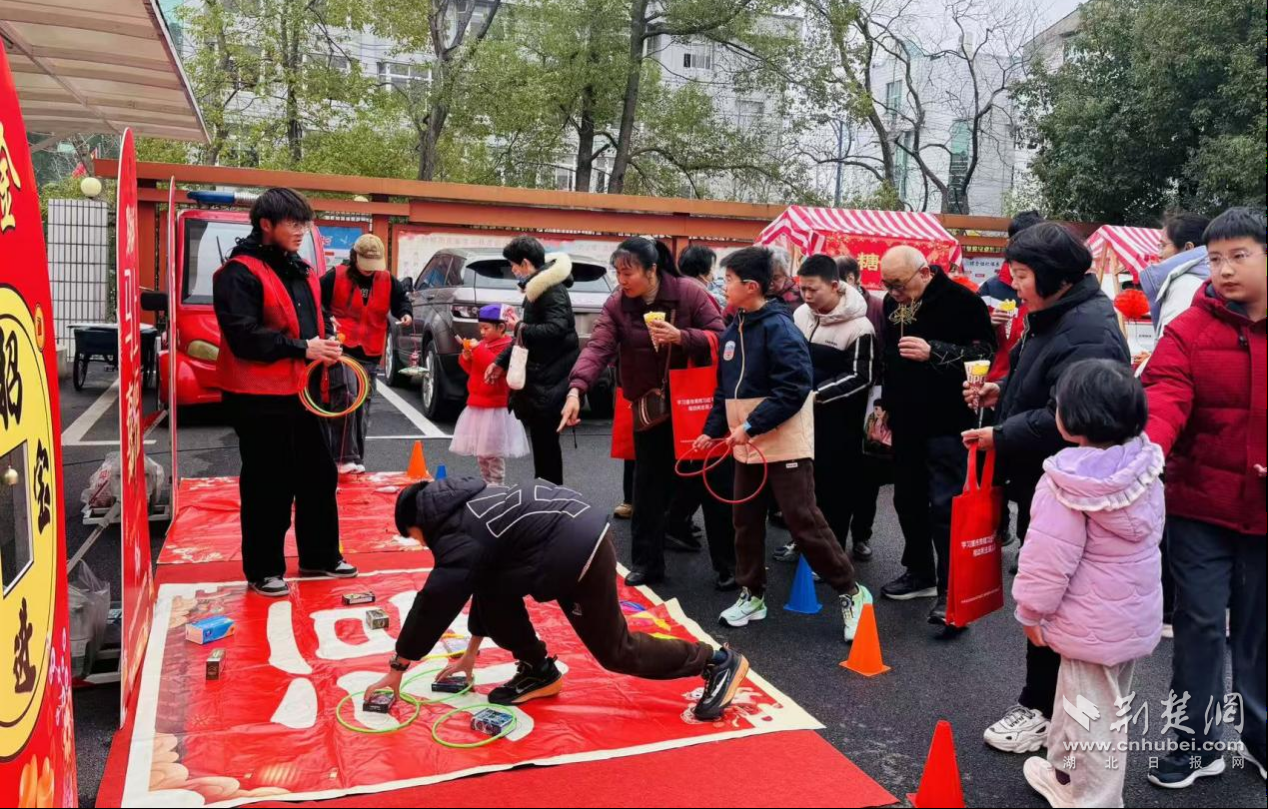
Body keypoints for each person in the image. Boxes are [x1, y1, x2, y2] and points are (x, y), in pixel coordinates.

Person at [369, 479, 749, 722]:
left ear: (418, 522)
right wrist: (470, 654)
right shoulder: (467, 502)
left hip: (576, 552)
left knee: (617, 651)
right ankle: (538, 670)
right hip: (565, 537)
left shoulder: (456, 534)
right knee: (493, 590)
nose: (420, 544)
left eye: (414, 537)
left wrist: (398, 666)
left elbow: (435, 601)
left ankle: (717, 662)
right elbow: (480, 582)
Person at [962, 222, 1131, 755]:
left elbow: (1073, 417)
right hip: (1049, 477)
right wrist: (1001, 391)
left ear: (1055, 276)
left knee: (1054, 602)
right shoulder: (1056, 314)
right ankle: (1050, 708)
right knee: (1049, 596)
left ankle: (1043, 710)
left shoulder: (1088, 329)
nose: (1014, 287)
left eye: (1021, 275)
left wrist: (1000, 434)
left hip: (1068, 485)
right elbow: (1044, 386)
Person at [1141, 207, 1266, 788]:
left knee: (1259, 630)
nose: (1225, 270)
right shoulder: (1188, 329)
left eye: (1240, 256)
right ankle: (1196, 743)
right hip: (1198, 504)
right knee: (1198, 624)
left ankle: (1260, 737)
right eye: (1215, 259)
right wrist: (1148, 452)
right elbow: (1164, 393)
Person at [692, 247, 873, 642]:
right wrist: (711, 429)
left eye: (729, 280)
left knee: (803, 521)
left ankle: (851, 592)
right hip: (747, 443)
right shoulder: (733, 329)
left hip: (784, 441)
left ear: (751, 286)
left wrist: (751, 424)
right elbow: (724, 391)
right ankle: (752, 594)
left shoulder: (780, 328)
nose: (723, 287)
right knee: (745, 521)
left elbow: (795, 388)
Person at [1014, 360, 1165, 809]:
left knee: (1092, 716)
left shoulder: (1066, 482)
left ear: (1072, 418)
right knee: (1090, 702)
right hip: (1132, 617)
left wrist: (1031, 611)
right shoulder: (1144, 467)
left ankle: (1095, 800)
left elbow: (1047, 559)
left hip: (1086, 622)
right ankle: (1065, 775)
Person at [562, 238, 734, 589]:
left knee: (711, 484)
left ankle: (729, 567)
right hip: (649, 407)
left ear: (652, 270)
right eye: (617, 273)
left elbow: (720, 336)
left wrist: (682, 337)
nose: (622, 280)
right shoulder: (618, 305)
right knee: (647, 489)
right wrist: (576, 389)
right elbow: (598, 347)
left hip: (694, 406)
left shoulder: (689, 294)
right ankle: (647, 564)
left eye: (628, 273)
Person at [211, 188, 357, 597]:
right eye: (293, 223)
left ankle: (320, 556)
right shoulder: (238, 273)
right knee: (268, 482)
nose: (301, 230)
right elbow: (243, 336)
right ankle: (263, 569)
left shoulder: (303, 270)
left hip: (304, 390)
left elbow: (316, 318)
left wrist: (328, 341)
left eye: (304, 223)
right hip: (257, 396)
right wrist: (303, 347)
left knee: (319, 474)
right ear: (266, 224)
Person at [877, 246, 995, 627]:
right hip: (905, 421)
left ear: (925, 272)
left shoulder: (963, 301)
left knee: (946, 507)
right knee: (907, 500)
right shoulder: (891, 305)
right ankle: (919, 572)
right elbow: (889, 357)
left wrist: (935, 351)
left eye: (899, 285)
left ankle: (951, 589)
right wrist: (885, 403)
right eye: (887, 285)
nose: (894, 293)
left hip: (948, 421)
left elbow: (985, 355)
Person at [785, 254, 875, 562]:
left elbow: (861, 376)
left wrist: (816, 395)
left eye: (813, 289)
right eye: (802, 289)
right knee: (800, 485)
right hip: (799, 419)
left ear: (835, 286)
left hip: (838, 423)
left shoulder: (860, 326)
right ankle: (801, 543)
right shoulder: (800, 314)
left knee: (834, 489)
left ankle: (830, 555)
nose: (807, 296)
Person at [486, 236, 579, 485]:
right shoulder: (539, 287)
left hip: (550, 377)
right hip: (542, 377)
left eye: (513, 266)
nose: (513, 271)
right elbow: (524, 337)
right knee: (543, 442)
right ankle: (546, 494)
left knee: (546, 443)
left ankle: (550, 496)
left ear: (525, 263)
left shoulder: (551, 290)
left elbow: (556, 329)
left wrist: (520, 326)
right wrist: (501, 362)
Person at [319, 233, 412, 474]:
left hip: (370, 351)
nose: (370, 269)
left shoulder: (387, 280)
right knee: (347, 395)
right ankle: (343, 458)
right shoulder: (335, 276)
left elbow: (401, 300)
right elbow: (316, 302)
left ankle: (355, 459)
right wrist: (327, 321)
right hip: (341, 348)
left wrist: (405, 313)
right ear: (355, 257)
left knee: (362, 405)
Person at [452, 305, 529, 485]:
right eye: (480, 328)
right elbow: (473, 370)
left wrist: (477, 350)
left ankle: (497, 484)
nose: (482, 332)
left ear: (501, 327)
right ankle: (487, 483)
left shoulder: (506, 346)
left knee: (493, 452)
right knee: (481, 453)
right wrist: (466, 357)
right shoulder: (484, 344)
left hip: (495, 406)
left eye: (486, 328)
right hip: (477, 403)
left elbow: (493, 365)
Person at [979, 210, 1044, 384]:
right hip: (997, 380)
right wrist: (990, 324)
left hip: (1033, 381)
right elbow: (971, 336)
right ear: (1010, 243)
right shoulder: (990, 288)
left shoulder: (1047, 287)